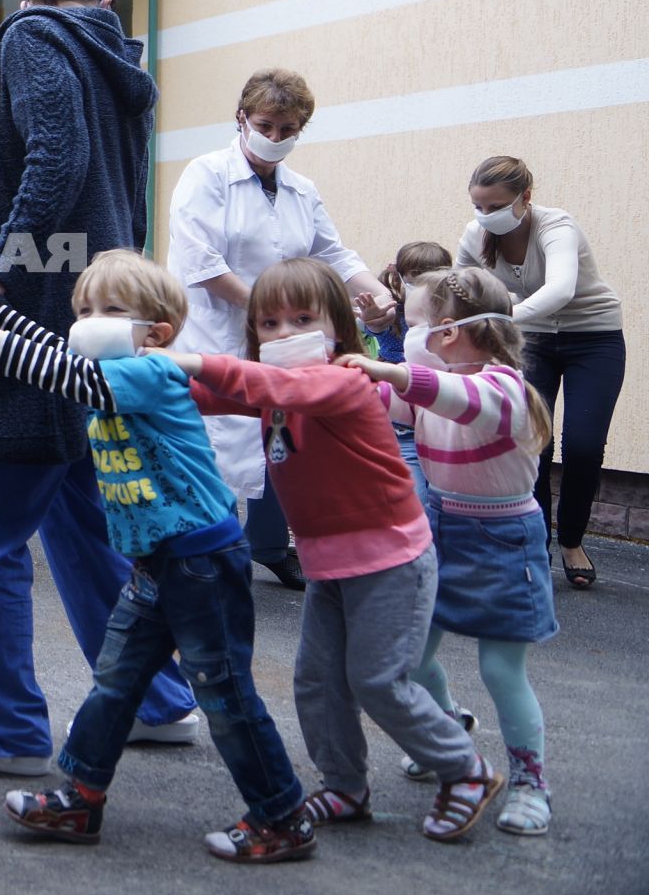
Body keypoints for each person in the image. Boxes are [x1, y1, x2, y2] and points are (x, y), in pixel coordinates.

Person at [0, 251, 311, 864]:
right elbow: (54, 351)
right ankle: (81, 796)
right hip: (158, 563)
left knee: (225, 692)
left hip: (201, 562)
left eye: (109, 310)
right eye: (83, 309)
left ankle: (282, 814)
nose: (88, 321)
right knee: (116, 679)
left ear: (156, 332)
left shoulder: (148, 372)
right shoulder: (111, 362)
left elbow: (60, 374)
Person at [156, 258, 503, 845]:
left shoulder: (344, 381)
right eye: (268, 324)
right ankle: (345, 786)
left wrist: (189, 359)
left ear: (337, 327)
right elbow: (207, 394)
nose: (285, 333)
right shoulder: (275, 391)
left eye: (302, 319)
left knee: (378, 680)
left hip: (391, 560)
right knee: (317, 682)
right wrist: (136, 375)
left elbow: (273, 383)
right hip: (329, 565)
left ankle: (464, 769)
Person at [0, 0, 197, 777]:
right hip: (102, 312)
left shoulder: (34, 39)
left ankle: (2, 729)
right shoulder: (118, 61)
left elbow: (55, 156)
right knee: (87, 514)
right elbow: (120, 191)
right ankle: (157, 702)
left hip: (34, 314)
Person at [343, 266, 559, 836]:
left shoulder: (502, 387)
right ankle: (447, 732)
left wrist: (386, 368)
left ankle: (530, 782)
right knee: (410, 660)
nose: (405, 336)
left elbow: (449, 396)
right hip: (441, 527)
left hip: (505, 540)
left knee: (501, 670)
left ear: (445, 332)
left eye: (412, 325)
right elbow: (382, 399)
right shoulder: (430, 384)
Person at [167, 68, 397, 588]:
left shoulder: (300, 188)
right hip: (217, 332)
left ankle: (270, 546)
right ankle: (204, 555)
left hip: (279, 338)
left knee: (281, 433)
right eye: (265, 125)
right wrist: (271, 308)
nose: (274, 139)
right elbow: (199, 261)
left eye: (287, 129)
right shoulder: (205, 175)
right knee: (219, 444)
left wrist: (378, 295)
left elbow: (331, 252)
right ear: (241, 118)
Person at [458, 156, 624, 590]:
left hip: (594, 338)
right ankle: (534, 545)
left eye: (494, 206)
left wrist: (503, 314)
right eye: (478, 206)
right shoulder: (476, 235)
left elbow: (561, 288)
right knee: (533, 443)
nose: (484, 216)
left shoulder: (556, 226)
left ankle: (572, 540)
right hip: (531, 341)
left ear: (524, 198)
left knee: (584, 446)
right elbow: (459, 288)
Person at [373, 241, 454, 497]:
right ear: (400, 276)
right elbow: (374, 327)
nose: (424, 286)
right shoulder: (391, 311)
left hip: (439, 419)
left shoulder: (453, 315)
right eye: (416, 278)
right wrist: (370, 318)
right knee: (414, 496)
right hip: (402, 423)